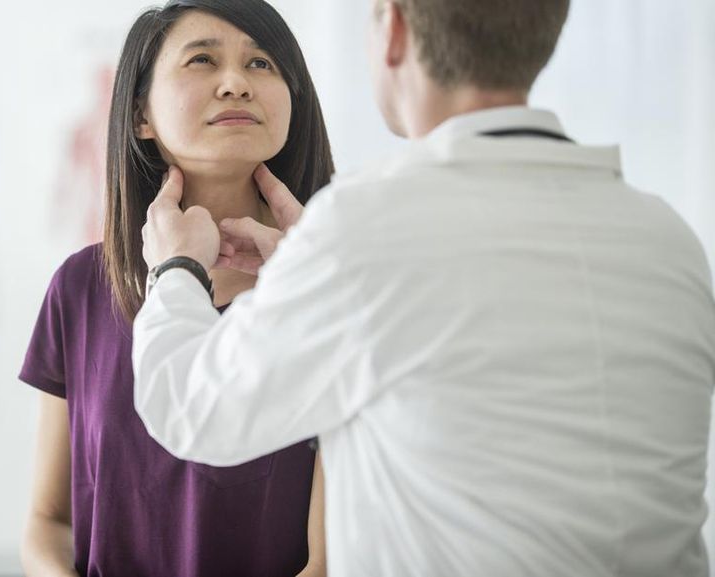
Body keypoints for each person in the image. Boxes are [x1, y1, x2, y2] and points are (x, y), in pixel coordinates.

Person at [133, 0, 715, 576]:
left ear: (394, 29)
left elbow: (191, 408)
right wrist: (312, 270)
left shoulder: (366, 228)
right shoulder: (670, 240)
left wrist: (176, 268)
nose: (237, 83)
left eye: (262, 63)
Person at [18, 1, 335, 576]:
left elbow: (331, 559)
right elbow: (48, 521)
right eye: (203, 60)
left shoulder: (332, 291)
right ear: (141, 113)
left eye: (263, 63)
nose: (236, 83)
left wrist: (320, 287)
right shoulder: (80, 288)